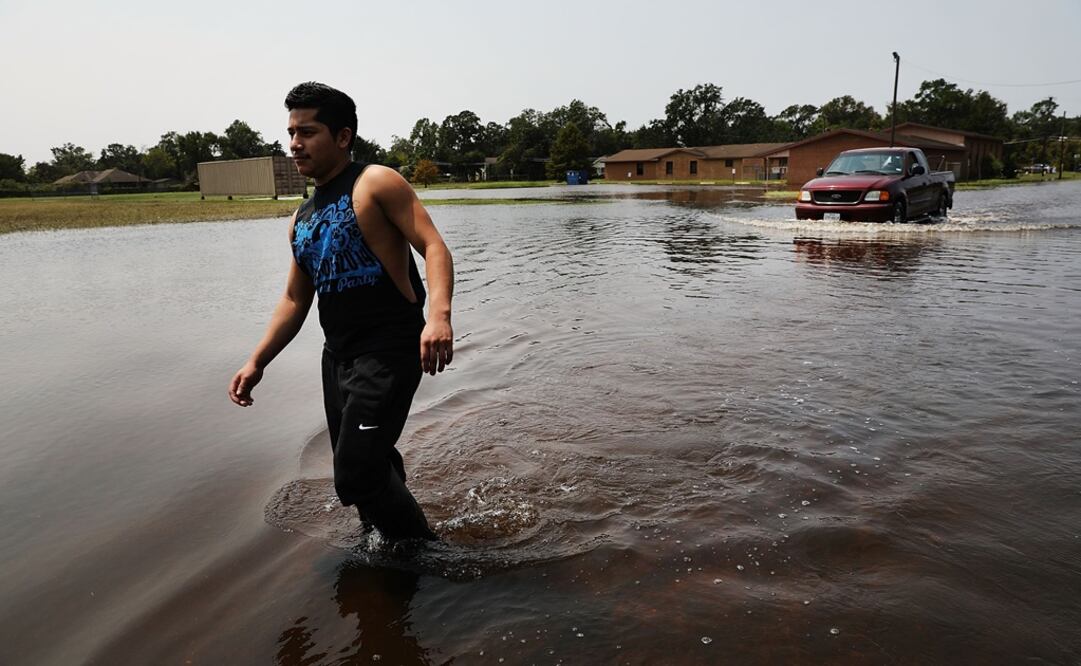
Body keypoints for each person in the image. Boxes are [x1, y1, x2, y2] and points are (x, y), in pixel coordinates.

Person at [228, 81, 454, 543]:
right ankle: (385, 545)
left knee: (353, 473)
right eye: (291, 132)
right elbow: (294, 300)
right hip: (339, 358)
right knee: (367, 462)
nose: (295, 143)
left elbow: (432, 245)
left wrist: (439, 315)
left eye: (307, 132)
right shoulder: (302, 217)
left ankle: (424, 553)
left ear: (343, 136)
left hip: (389, 348)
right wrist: (257, 361)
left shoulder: (376, 182)